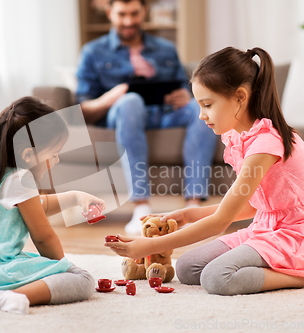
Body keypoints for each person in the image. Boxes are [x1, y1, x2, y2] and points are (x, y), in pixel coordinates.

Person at [105, 47, 304, 295]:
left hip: (300, 234)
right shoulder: (239, 137)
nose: (200, 116)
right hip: (267, 225)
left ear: (240, 97)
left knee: (217, 277)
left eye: (207, 105)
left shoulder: (265, 144)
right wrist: (187, 214)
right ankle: (268, 264)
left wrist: (151, 245)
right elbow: (251, 206)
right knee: (187, 268)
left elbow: (221, 221)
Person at [76, 0, 217, 234]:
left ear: (144, 12)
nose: (129, 21)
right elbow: (83, 108)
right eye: (122, 14)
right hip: (124, 113)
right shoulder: (93, 52)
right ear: (110, 12)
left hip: (164, 113)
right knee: (131, 101)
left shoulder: (166, 48)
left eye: (134, 13)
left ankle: (193, 206)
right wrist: (111, 98)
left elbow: (186, 86)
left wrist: (187, 94)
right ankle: (141, 206)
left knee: (198, 107)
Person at [0, 97, 105, 314]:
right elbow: (43, 237)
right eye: (53, 154)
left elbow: (38, 205)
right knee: (83, 280)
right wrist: (63, 268)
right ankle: (15, 296)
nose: (57, 160)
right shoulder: (21, 179)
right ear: (28, 155)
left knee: (30, 259)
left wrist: (74, 197)